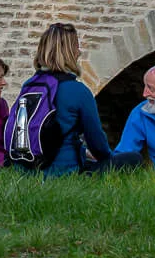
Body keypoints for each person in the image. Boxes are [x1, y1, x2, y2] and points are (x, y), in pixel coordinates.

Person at [11, 23, 118, 176]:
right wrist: (107, 159)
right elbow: (97, 144)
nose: (79, 52)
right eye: (76, 47)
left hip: (26, 170)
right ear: (70, 52)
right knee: (132, 159)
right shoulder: (77, 90)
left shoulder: (29, 85)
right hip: (63, 172)